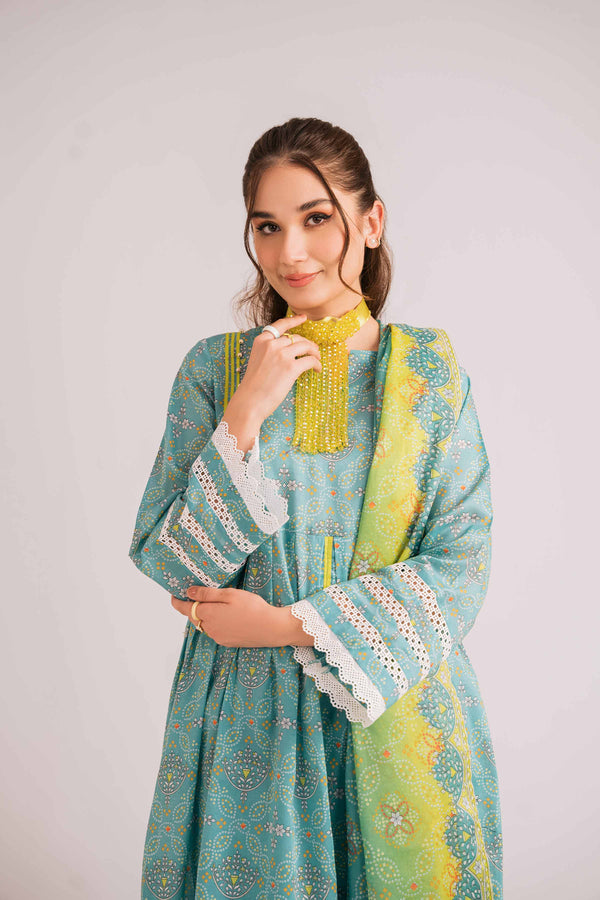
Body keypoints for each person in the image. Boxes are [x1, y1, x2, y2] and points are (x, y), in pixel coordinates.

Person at [129, 116, 503, 900]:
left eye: (316, 218)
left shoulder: (430, 377)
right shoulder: (215, 370)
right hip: (247, 728)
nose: (291, 252)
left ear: (371, 221)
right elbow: (171, 563)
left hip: (397, 701)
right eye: (267, 226)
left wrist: (284, 626)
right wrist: (246, 411)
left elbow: (461, 567)